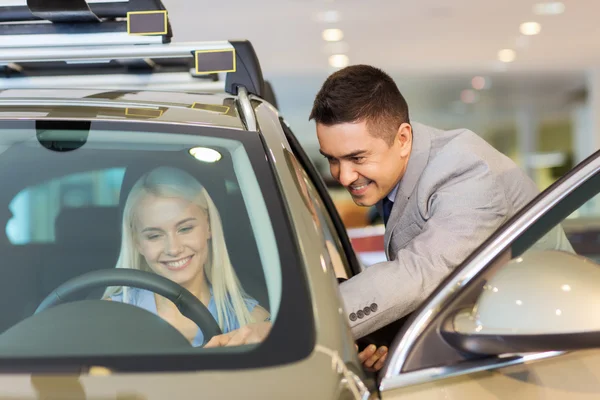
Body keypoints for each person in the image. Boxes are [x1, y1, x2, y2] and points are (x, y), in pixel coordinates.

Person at [309, 65, 573, 371]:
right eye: (332, 159)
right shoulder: (400, 170)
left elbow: (421, 272)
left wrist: (304, 324)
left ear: (404, 138)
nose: (343, 176)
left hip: (541, 355)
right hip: (475, 341)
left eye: (357, 158)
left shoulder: (469, 173)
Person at [103, 166, 271, 347]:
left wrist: (272, 334)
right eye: (154, 235)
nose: (173, 249)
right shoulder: (109, 316)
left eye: (185, 229)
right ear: (137, 243)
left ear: (209, 226)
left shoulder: (250, 321)